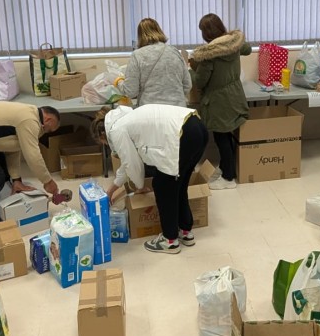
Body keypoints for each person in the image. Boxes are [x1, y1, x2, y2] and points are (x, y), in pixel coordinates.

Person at [93, 104, 209, 254]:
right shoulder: (127, 119)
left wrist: (140, 186)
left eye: (103, 143)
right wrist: (111, 190)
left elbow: (132, 164)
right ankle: (185, 231)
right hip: (197, 128)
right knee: (179, 184)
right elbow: (127, 164)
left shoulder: (117, 130)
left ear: (103, 135)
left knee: (162, 185)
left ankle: (170, 240)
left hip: (183, 135)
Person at [189, 13, 251, 190]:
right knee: (229, 134)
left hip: (219, 100)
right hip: (235, 95)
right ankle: (226, 167)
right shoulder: (234, 44)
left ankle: (229, 178)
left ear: (207, 34)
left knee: (221, 137)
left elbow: (201, 81)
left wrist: (191, 70)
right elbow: (246, 49)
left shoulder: (209, 55)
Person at [118, 18, 191, 107]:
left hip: (151, 111)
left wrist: (119, 82)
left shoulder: (137, 55)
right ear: (159, 30)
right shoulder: (175, 52)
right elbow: (187, 85)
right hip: (177, 111)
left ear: (140, 35)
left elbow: (130, 91)